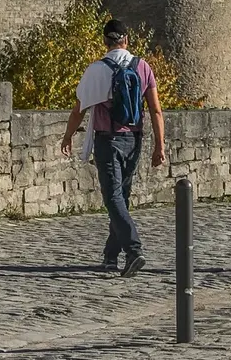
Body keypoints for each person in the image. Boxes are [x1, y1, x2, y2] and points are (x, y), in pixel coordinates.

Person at [59, 18, 165, 277]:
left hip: (107, 139)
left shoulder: (96, 70)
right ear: (126, 40)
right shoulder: (142, 67)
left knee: (113, 197)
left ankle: (133, 250)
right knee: (121, 197)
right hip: (134, 139)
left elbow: (78, 110)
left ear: (105, 42)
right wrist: (159, 146)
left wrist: (68, 136)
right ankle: (110, 256)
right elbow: (156, 110)